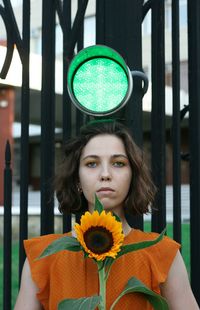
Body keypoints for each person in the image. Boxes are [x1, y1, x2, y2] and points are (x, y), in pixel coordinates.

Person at [14, 120, 199, 310]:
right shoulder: (42, 258)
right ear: (77, 178)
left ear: (132, 175)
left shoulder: (162, 254)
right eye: (91, 163)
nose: (105, 174)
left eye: (118, 163)